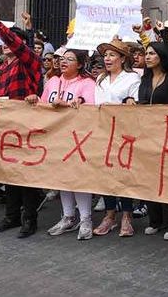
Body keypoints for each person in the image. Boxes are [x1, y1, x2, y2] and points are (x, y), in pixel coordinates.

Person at [0, 8, 43, 239]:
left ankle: (29, 219)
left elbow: (17, 43)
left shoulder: (27, 61)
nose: (6, 44)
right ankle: (11, 216)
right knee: (9, 173)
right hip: (6, 127)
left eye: (9, 40)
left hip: (26, 126)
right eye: (3, 41)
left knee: (25, 175)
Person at [38, 47, 96, 240]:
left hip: (77, 138)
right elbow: (43, 104)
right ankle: (68, 216)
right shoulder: (53, 81)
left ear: (79, 64)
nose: (63, 62)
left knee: (78, 177)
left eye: (70, 59)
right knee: (62, 177)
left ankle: (86, 218)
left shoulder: (87, 83)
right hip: (56, 137)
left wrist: (72, 103)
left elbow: (90, 106)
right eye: (62, 59)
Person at [138, 21, 168, 240]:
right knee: (150, 178)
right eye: (145, 53)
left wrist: (163, 34)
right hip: (147, 134)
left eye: (152, 54)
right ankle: (155, 220)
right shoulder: (145, 79)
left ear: (161, 57)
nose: (147, 57)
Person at [92, 38, 141, 238]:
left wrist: (130, 102)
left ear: (122, 58)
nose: (107, 59)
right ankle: (110, 214)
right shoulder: (100, 79)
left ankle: (127, 215)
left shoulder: (132, 79)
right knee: (106, 174)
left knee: (124, 174)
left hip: (124, 134)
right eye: (105, 55)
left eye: (112, 55)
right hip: (103, 132)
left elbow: (135, 105)